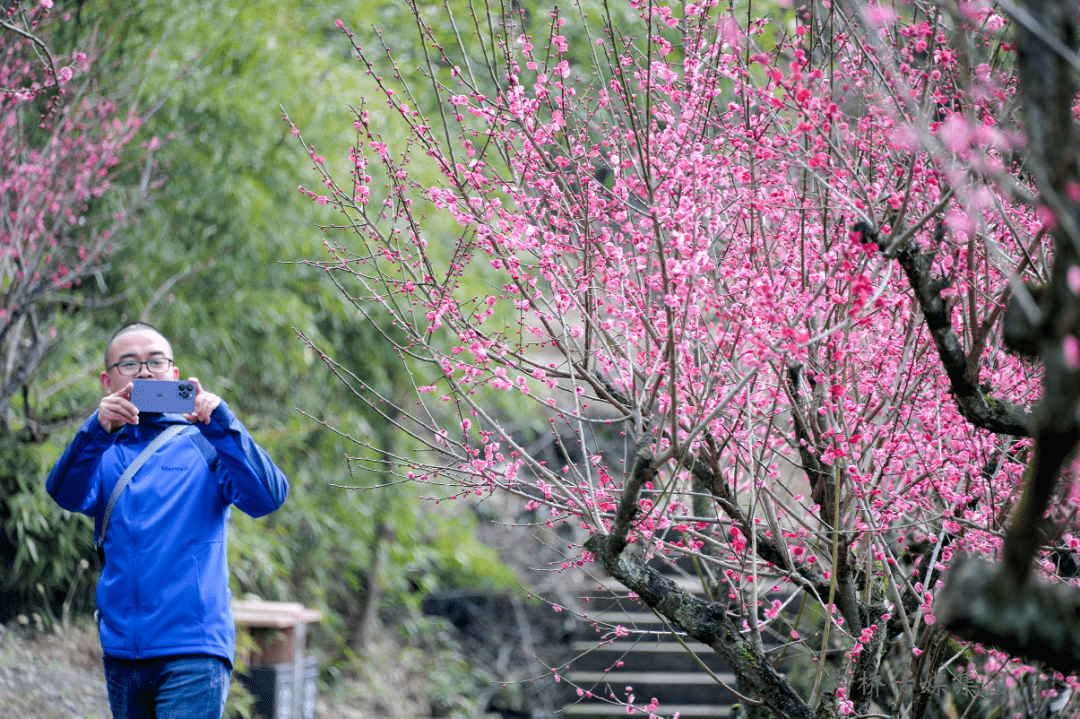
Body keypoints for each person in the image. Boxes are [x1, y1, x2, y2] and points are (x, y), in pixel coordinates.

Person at [46, 322, 289, 719]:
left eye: (155, 362)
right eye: (129, 363)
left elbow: (267, 498)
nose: (144, 373)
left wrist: (223, 424)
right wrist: (95, 429)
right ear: (108, 381)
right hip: (123, 650)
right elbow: (65, 494)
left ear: (174, 376)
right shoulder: (102, 450)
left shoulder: (207, 443)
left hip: (194, 650)